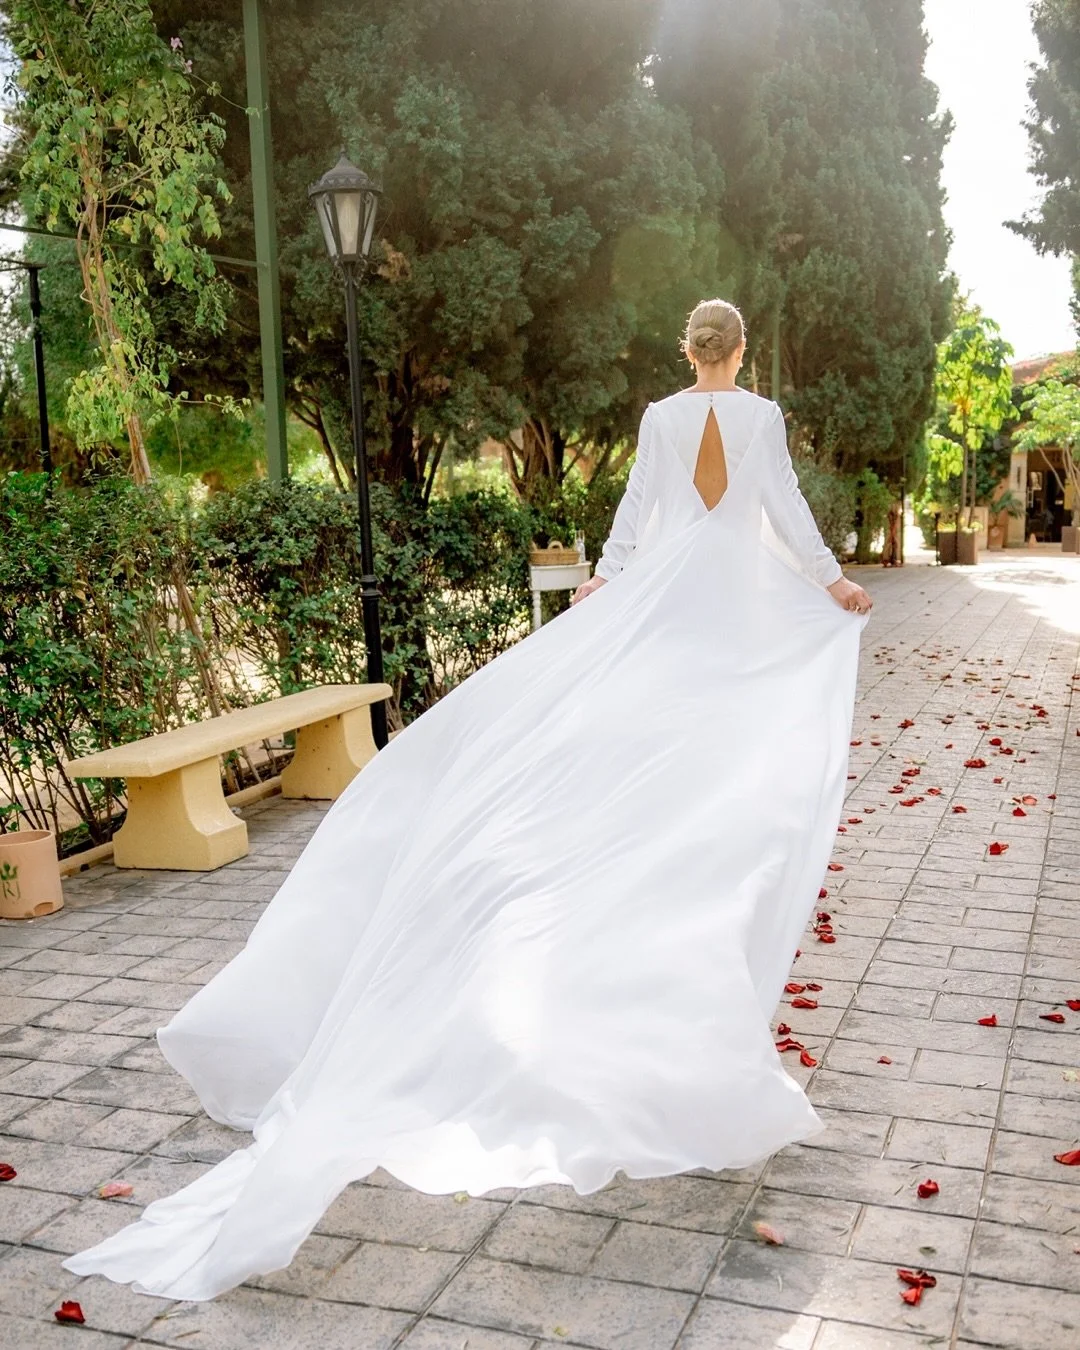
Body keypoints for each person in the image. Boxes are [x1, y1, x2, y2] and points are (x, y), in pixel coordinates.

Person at [66, 299, 872, 1301]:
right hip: (734, 609)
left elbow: (638, 511)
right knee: (709, 776)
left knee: (650, 765)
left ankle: (651, 916)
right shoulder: (761, 419)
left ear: (687, 351)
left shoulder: (665, 418)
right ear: (740, 351)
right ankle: (683, 930)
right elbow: (783, 508)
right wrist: (829, 580)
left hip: (668, 607)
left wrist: (609, 582)